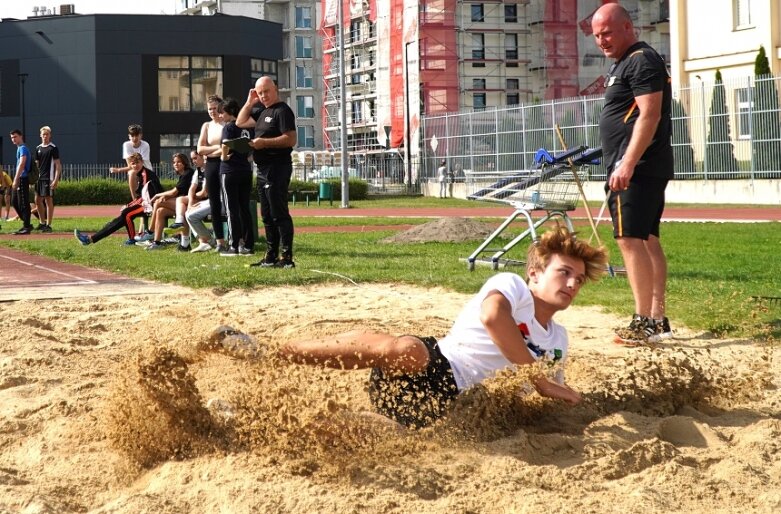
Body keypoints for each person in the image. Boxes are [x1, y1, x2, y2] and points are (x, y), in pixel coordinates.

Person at [278, 227, 608, 428]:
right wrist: (538, 379)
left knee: (400, 439)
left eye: (579, 279)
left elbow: (551, 396)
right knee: (403, 350)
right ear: (535, 273)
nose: (572, 283)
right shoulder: (513, 287)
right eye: (563, 272)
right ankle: (279, 353)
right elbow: (493, 317)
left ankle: (274, 423)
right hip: (435, 366)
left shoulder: (558, 338)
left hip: (457, 406)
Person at [592, 3, 673, 346]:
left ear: (628, 27)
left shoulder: (641, 60)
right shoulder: (625, 63)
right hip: (636, 167)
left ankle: (644, 322)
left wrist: (626, 162)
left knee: (629, 240)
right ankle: (657, 319)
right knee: (646, 239)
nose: (602, 41)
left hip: (636, 169)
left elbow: (649, 115)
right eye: (597, 35)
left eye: (607, 32)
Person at [237, 76, 297, 269]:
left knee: (279, 213)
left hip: (277, 167)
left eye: (266, 91)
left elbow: (290, 139)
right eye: (260, 92)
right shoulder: (262, 111)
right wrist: (249, 102)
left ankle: (286, 257)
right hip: (262, 169)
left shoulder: (282, 111)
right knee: (267, 215)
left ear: (276, 89)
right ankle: (270, 256)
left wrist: (264, 143)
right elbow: (240, 122)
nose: (263, 96)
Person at [73, 153, 162, 246]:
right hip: (146, 204)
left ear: (142, 162)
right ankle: (90, 239)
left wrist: (129, 205)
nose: (135, 165)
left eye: (137, 163)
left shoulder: (146, 174)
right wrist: (129, 205)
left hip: (151, 205)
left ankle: (132, 239)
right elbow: (141, 197)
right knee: (120, 219)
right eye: (133, 163)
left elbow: (147, 197)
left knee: (126, 214)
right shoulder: (140, 174)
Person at [218, 98, 255, 257]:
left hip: (230, 171)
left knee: (231, 209)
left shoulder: (229, 127)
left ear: (230, 112)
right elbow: (254, 145)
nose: (220, 116)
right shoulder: (248, 126)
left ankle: (234, 245)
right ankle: (248, 245)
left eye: (222, 113)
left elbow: (225, 144)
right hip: (246, 171)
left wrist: (223, 157)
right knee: (244, 208)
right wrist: (249, 158)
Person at [143, 153, 195, 251]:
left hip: (189, 204)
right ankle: (157, 242)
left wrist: (159, 195)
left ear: (184, 163)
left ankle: (150, 232)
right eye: (174, 162)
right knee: (160, 211)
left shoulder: (188, 173)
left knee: (158, 202)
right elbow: (176, 193)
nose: (176, 164)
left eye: (179, 162)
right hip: (181, 205)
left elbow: (174, 192)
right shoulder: (182, 175)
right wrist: (164, 197)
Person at [110, 124, 153, 238]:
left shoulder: (145, 145)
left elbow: (138, 165)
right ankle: (135, 199)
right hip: (135, 173)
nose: (135, 138)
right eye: (132, 136)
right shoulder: (126, 145)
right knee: (132, 172)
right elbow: (131, 165)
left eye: (137, 135)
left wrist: (118, 170)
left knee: (132, 173)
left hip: (146, 173)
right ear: (129, 136)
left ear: (141, 135)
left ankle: (136, 203)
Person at [197, 95, 228, 253]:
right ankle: (220, 241)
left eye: (215, 108)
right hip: (211, 164)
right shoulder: (206, 126)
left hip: (225, 163)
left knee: (229, 201)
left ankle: (236, 238)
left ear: (221, 108)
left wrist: (217, 149)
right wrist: (217, 149)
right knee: (214, 202)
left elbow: (228, 146)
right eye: (209, 109)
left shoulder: (226, 124)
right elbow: (200, 149)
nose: (212, 111)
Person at [185, 151, 215, 253]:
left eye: (195, 158)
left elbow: (204, 193)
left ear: (204, 157)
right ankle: (204, 242)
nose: (193, 161)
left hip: (217, 201)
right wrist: (190, 203)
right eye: (192, 159)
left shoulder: (209, 169)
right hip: (209, 201)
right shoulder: (198, 171)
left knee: (190, 215)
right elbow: (191, 189)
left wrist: (193, 197)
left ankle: (207, 240)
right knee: (188, 212)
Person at [34, 126, 62, 233]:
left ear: (50, 135)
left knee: (48, 200)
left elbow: (58, 165)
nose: (45, 136)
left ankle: (49, 225)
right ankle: (42, 223)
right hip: (39, 178)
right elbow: (36, 164)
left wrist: (55, 180)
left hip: (48, 178)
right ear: (40, 135)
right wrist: (33, 178)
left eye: (47, 134)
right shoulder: (38, 148)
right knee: (37, 200)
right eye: (43, 134)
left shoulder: (53, 148)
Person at [9, 129, 33, 235]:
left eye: (15, 137)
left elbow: (22, 163)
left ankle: (27, 226)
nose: (13, 139)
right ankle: (26, 222)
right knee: (14, 201)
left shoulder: (23, 148)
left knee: (23, 202)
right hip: (20, 177)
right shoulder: (19, 148)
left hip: (22, 178)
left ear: (20, 136)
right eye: (12, 137)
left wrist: (16, 178)